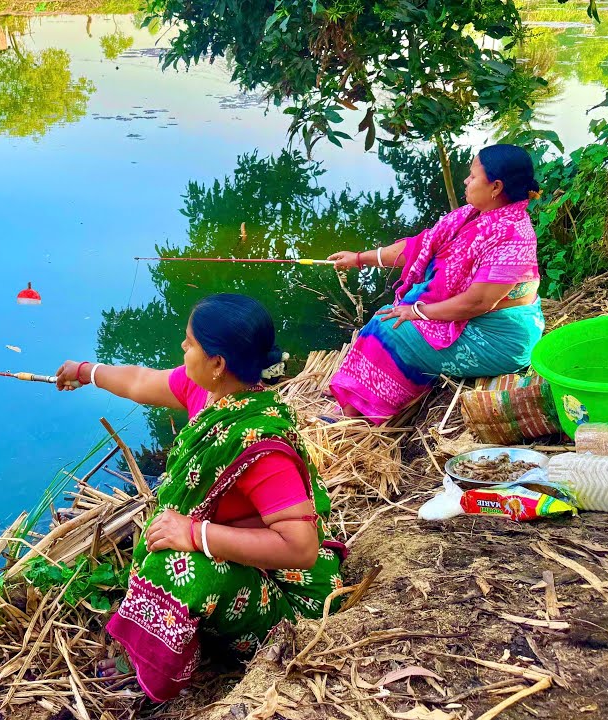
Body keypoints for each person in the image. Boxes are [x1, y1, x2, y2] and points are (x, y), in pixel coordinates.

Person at [55, 294, 345, 702]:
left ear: (218, 363)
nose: (182, 349)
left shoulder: (261, 445)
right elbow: (141, 382)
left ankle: (156, 669)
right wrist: (87, 371)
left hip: (292, 602)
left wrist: (197, 534)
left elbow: (301, 550)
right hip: (248, 563)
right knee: (164, 536)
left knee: (176, 566)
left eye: (189, 343)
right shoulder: (206, 392)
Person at [325, 144, 547, 422]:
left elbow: (479, 301)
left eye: (472, 176)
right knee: (401, 306)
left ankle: (355, 413)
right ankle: (359, 391)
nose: (466, 181)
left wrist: (417, 312)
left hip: (497, 338)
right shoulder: (469, 216)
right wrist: (359, 258)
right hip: (473, 318)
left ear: (496, 187)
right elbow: (418, 248)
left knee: (390, 328)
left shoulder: (515, 236)